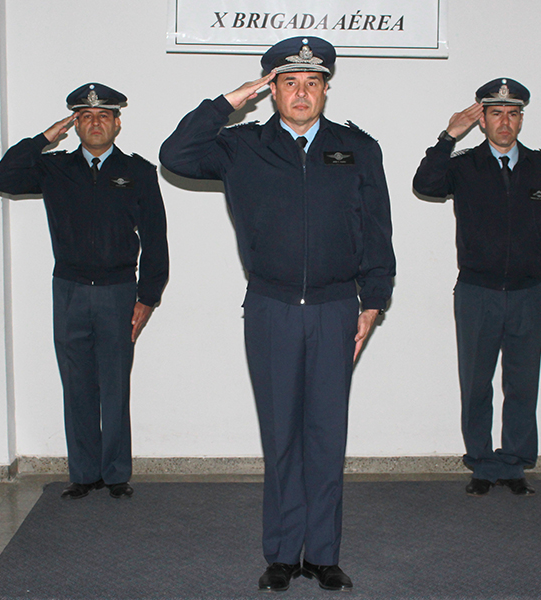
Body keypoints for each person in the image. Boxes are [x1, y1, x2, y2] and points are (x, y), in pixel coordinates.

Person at [160, 37, 395, 592]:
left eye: (313, 83)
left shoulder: (358, 148)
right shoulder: (241, 146)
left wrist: (374, 300)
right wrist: (228, 103)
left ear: (326, 90)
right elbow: (175, 154)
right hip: (272, 309)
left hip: (336, 308)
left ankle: (324, 554)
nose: (302, 93)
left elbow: (377, 227)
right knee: (281, 436)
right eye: (289, 82)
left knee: (326, 436)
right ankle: (284, 554)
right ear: (272, 90)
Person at [0, 83, 169, 500]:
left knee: (115, 385)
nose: (95, 123)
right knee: (77, 385)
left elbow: (156, 239)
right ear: (75, 124)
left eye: (103, 115)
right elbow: (2, 178)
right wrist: (44, 138)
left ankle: (116, 473)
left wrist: (148, 297)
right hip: (70, 290)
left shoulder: (138, 172)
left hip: (118, 292)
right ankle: (84, 473)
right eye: (85, 117)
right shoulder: (55, 169)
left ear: (117, 123)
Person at [413, 78, 541, 497]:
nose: (505, 122)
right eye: (496, 113)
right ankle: (482, 464)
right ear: (482, 120)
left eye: (513, 114)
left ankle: (514, 463)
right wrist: (448, 136)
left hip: (527, 292)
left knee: (522, 383)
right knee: (476, 383)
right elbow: (425, 184)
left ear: (521, 120)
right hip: (477, 292)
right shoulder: (465, 166)